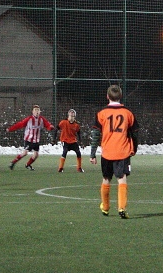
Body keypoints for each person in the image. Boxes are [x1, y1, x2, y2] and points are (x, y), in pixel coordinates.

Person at [89, 85, 138, 219]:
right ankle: (122, 208)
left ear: (107, 96)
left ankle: (105, 208)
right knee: (122, 178)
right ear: (121, 96)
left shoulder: (101, 113)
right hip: (122, 151)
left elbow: (95, 135)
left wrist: (92, 154)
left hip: (107, 152)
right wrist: (135, 148)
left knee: (106, 179)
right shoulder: (128, 113)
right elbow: (135, 133)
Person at [7, 105, 54, 170]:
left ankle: (28, 165)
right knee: (25, 153)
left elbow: (47, 125)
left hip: (36, 140)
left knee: (36, 155)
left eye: (38, 110)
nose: (37, 112)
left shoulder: (42, 119)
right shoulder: (29, 119)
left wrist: (50, 127)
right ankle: (13, 162)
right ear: (32, 112)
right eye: (35, 110)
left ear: (40, 112)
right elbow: (20, 124)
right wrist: (10, 129)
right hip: (29, 140)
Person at [57, 109, 84, 173]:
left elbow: (79, 133)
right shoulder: (63, 122)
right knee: (65, 152)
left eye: (73, 116)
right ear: (68, 116)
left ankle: (79, 168)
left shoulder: (76, 125)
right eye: (71, 116)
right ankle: (60, 168)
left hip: (73, 141)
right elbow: (57, 128)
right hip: (65, 140)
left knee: (78, 152)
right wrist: (54, 139)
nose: (72, 118)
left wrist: (81, 141)